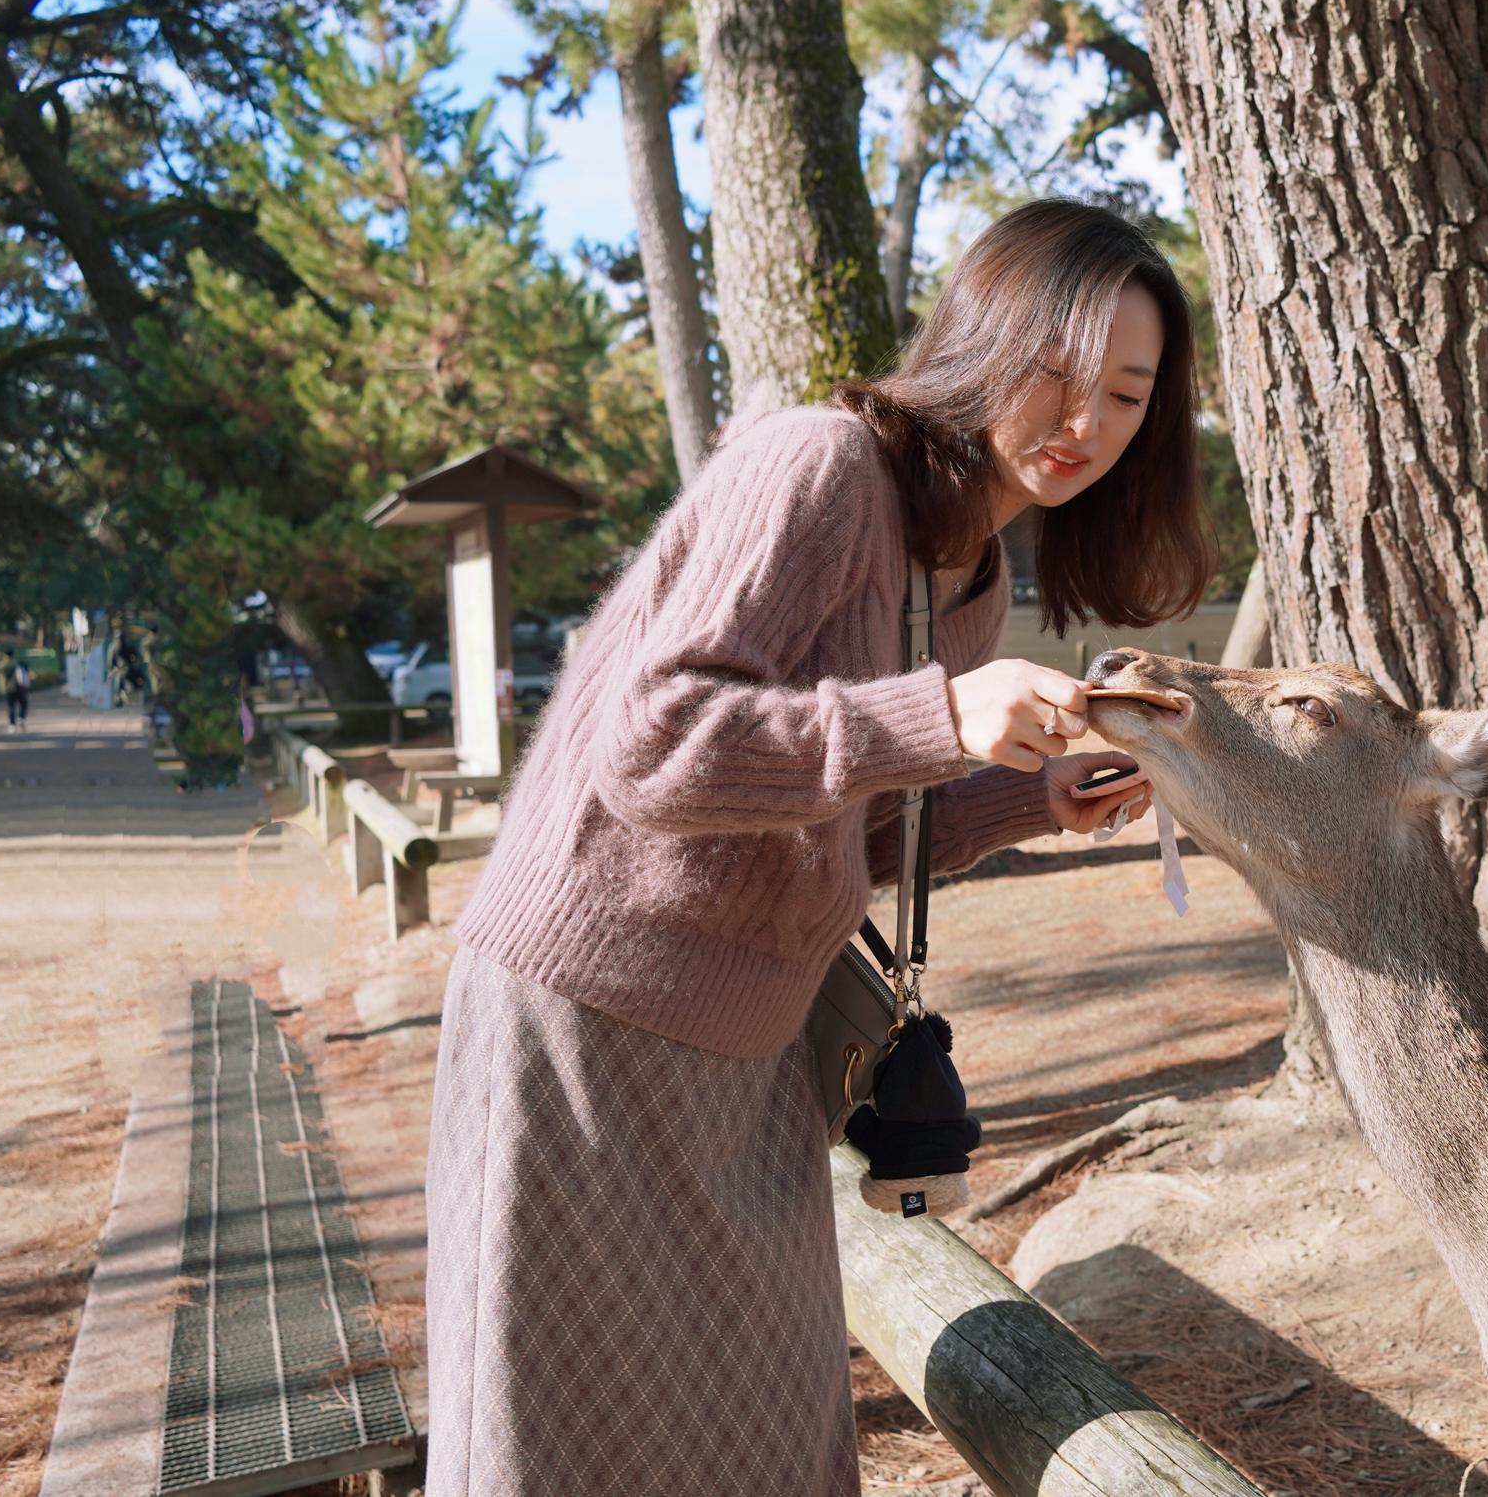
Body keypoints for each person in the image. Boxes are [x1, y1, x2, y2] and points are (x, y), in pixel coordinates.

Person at [423, 198, 1209, 1497]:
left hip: (749, 1045)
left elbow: (831, 818)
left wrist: (1036, 798)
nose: (1085, 425)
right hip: (586, 1024)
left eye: (1125, 396)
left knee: (770, 1435)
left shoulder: (970, 575)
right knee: (564, 1444)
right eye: (1055, 372)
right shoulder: (819, 465)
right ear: (979, 341)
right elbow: (654, 746)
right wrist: (936, 714)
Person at [3, 656, 29, 728]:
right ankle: (21, 718)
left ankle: (12, 724)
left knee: (11, 707)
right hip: (21, 688)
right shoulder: (20, 663)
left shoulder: (3, 665)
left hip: (9, 689)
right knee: (23, 704)